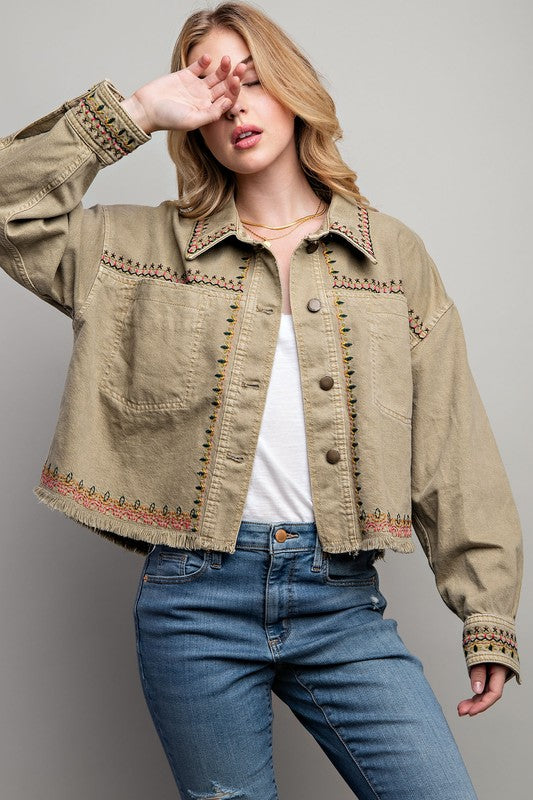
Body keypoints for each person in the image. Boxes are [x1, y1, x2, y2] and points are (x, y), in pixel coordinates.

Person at [0, 2, 523, 798]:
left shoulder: (390, 257)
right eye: (208, 89)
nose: (234, 105)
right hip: (193, 603)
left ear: (292, 88)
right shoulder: (132, 247)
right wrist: (136, 112)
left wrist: (486, 612)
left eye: (250, 79)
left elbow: (452, 443)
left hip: (340, 599)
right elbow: (10, 207)